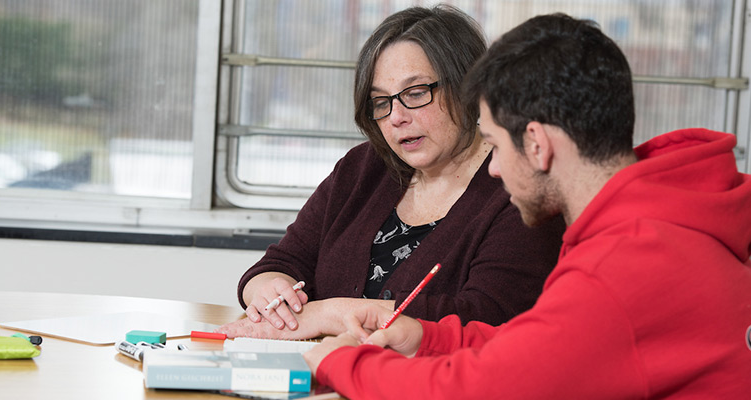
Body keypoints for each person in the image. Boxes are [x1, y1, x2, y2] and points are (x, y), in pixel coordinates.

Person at [303, 13, 751, 398]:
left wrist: (344, 363)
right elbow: (544, 346)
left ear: (536, 144)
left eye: (495, 146)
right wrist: (427, 337)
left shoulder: (626, 263)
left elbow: (479, 391)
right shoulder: (649, 222)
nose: (493, 169)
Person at [216, 5, 565, 339]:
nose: (396, 116)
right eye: (381, 102)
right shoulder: (362, 167)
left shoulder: (519, 188)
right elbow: (283, 262)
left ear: (466, 88)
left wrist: (331, 315)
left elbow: (486, 317)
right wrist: (267, 288)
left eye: (415, 93)